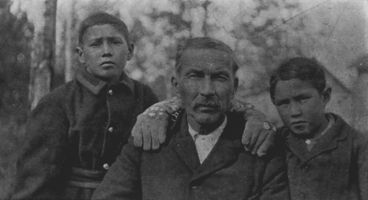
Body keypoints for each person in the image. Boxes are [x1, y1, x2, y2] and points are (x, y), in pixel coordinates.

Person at [92, 37, 289, 200]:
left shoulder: (260, 146)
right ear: (176, 85)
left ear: (234, 87)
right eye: (195, 76)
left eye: (219, 78)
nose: (207, 91)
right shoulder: (148, 137)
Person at [10, 12, 159, 200]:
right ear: (81, 54)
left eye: (115, 42)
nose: (106, 51)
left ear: (130, 51)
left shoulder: (145, 97)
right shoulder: (58, 102)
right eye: (96, 44)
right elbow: (37, 179)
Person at [270, 57, 368, 200]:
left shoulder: (358, 146)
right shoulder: (274, 143)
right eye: (284, 103)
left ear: (325, 96)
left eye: (302, 99)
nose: (294, 112)